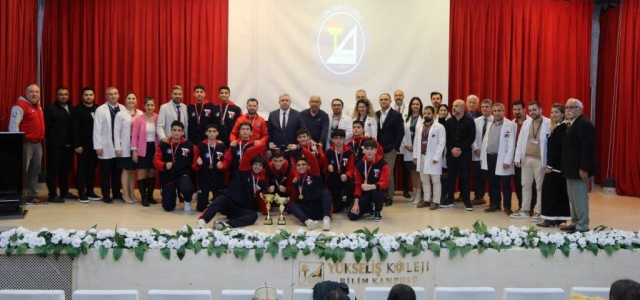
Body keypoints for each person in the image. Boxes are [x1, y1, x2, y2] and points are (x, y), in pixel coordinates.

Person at [197, 144, 267, 228]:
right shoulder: (243, 171)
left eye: (260, 165)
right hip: (229, 204)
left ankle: (226, 224)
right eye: (255, 164)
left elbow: (261, 197)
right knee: (221, 199)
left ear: (262, 168)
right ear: (251, 165)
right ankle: (203, 220)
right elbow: (249, 152)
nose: (257, 167)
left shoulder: (262, 181)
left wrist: (266, 212)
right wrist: (266, 145)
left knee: (253, 216)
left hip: (241, 209)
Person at [561, 98, 596, 233]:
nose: (568, 110)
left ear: (580, 110)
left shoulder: (584, 124)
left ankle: (582, 225)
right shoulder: (570, 124)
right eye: (566, 107)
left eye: (572, 107)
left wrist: (584, 168)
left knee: (580, 198)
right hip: (570, 168)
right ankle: (575, 221)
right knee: (572, 197)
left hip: (579, 169)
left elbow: (588, 148)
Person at [512, 101, 550, 221]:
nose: (532, 112)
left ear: (541, 110)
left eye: (534, 110)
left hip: (540, 160)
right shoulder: (526, 123)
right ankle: (525, 210)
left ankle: (539, 211)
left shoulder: (548, 123)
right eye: (530, 110)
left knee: (539, 187)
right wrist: (517, 158)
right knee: (525, 185)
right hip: (526, 159)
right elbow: (520, 141)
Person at [152, 121, 200, 211]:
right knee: (168, 207)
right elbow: (155, 161)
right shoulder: (163, 145)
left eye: (179, 130)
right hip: (168, 176)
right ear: (171, 131)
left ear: (182, 132)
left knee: (187, 188)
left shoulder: (190, 146)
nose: (176, 132)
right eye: (174, 130)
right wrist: (164, 165)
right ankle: (173, 196)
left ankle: (187, 200)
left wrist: (198, 164)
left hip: (183, 175)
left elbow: (194, 166)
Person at [9, 84, 45, 204]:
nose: (34, 94)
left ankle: (31, 195)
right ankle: (17, 195)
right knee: (21, 170)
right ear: (26, 92)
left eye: (36, 92)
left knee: (35, 171)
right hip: (25, 144)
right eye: (31, 91)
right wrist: (17, 143)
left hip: (38, 143)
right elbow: (14, 125)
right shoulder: (20, 106)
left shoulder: (38, 105)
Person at [537, 104, 570, 227]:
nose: (553, 115)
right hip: (558, 167)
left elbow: (556, 149)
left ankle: (549, 218)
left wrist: (550, 165)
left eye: (556, 112)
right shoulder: (558, 127)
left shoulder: (561, 128)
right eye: (551, 112)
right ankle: (559, 217)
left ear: (562, 114)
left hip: (555, 167)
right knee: (559, 192)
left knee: (549, 192)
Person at [481, 103, 517, 214]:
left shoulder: (510, 125)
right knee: (493, 182)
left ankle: (507, 206)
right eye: (495, 111)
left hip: (502, 158)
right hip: (490, 156)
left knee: (505, 184)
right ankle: (495, 204)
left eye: (499, 111)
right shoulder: (490, 124)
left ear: (504, 111)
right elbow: (485, 142)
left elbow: (511, 144)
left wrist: (507, 160)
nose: (497, 113)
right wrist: (483, 157)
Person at [44, 86, 78, 203]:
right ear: (56, 96)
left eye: (65, 94)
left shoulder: (72, 108)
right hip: (55, 146)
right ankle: (52, 195)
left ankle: (64, 193)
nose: (63, 96)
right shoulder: (50, 109)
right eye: (61, 94)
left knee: (65, 170)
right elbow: (46, 128)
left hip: (69, 146)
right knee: (53, 170)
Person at [93, 87, 127, 203]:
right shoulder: (100, 110)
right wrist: (98, 146)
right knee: (105, 172)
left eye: (115, 93)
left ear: (119, 95)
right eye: (110, 94)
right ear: (106, 96)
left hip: (119, 146)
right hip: (105, 145)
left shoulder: (123, 108)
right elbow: (97, 129)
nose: (113, 96)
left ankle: (117, 192)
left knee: (118, 171)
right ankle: (106, 194)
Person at [288, 147, 332, 230]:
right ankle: (308, 222)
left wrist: (300, 148)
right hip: (308, 210)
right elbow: (294, 198)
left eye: (303, 164)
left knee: (325, 192)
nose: (301, 167)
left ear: (308, 166)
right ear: (296, 167)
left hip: (320, 208)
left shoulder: (314, 173)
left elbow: (312, 158)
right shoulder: (296, 181)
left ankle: (326, 220)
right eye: (299, 165)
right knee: (292, 205)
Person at [443, 99, 475, 210]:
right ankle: (450, 199)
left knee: (465, 178)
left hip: (465, 154)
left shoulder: (470, 122)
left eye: (456, 106)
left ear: (463, 108)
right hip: (451, 155)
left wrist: (461, 149)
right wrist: (452, 149)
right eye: (453, 105)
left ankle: (467, 200)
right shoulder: (448, 122)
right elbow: (445, 138)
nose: (453, 108)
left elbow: (471, 138)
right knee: (451, 177)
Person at [349, 139, 390, 222]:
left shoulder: (383, 164)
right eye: (367, 149)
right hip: (365, 194)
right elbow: (357, 185)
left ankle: (377, 211)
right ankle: (369, 208)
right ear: (363, 150)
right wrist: (356, 203)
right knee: (352, 216)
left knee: (378, 192)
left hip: (377, 191)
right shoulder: (359, 165)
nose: (369, 151)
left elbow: (385, 183)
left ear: (376, 150)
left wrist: (371, 186)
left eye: (371, 149)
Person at [413, 106, 446, 210]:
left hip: (433, 157)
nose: (426, 115)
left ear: (434, 114)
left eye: (429, 113)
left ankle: (436, 201)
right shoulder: (420, 127)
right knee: (424, 179)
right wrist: (415, 156)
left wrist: (437, 156)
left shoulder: (439, 127)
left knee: (435, 180)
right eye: (425, 113)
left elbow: (442, 143)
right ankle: (426, 200)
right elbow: (416, 142)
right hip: (421, 155)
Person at [72, 86, 101, 202]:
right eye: (86, 95)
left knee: (92, 169)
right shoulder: (77, 110)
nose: (89, 97)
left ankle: (90, 191)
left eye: (91, 95)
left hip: (95, 145)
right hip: (82, 146)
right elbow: (74, 129)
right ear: (82, 96)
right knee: (82, 169)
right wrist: (77, 145)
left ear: (94, 96)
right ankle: (81, 192)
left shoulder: (98, 109)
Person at [376, 93, 405, 206]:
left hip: (390, 149)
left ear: (390, 101)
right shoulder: (376, 114)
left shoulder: (396, 115)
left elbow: (400, 133)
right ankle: (380, 194)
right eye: (381, 99)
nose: (383, 101)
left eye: (386, 99)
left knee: (388, 173)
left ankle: (389, 196)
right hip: (377, 149)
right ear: (379, 101)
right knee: (378, 173)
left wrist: (394, 147)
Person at [114, 91, 143, 204]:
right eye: (129, 98)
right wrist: (118, 147)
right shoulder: (120, 114)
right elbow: (116, 132)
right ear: (125, 101)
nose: (131, 100)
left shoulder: (140, 113)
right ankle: (125, 194)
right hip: (124, 145)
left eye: (133, 98)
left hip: (136, 145)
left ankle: (131, 192)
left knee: (132, 171)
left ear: (136, 101)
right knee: (126, 170)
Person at [131, 96, 160, 207]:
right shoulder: (139, 119)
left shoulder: (158, 118)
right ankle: (143, 197)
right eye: (148, 105)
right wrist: (134, 151)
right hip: (142, 148)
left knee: (152, 172)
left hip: (155, 148)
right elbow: (134, 136)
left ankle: (150, 196)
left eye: (152, 105)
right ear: (144, 106)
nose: (150, 107)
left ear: (155, 106)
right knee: (142, 172)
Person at [195, 124, 227, 212]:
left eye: (214, 131)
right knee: (200, 208)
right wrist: (198, 164)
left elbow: (226, 162)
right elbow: (194, 164)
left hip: (217, 178)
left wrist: (222, 166)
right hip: (204, 178)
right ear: (206, 133)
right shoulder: (200, 146)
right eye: (209, 131)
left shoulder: (222, 146)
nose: (212, 133)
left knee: (222, 210)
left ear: (217, 133)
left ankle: (214, 202)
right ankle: (206, 201)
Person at [511, 100, 536, 211]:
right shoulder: (511, 123)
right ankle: (522, 206)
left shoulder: (532, 122)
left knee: (531, 185)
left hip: (529, 157)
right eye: (515, 110)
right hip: (516, 158)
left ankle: (530, 207)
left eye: (519, 109)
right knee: (518, 183)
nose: (517, 112)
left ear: (524, 109)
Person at [324, 129, 355, 213]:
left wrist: (347, 176)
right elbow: (324, 168)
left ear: (344, 139)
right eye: (336, 138)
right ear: (332, 139)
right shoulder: (328, 152)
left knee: (351, 184)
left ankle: (349, 202)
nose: (338, 140)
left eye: (340, 138)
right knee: (336, 209)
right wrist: (327, 168)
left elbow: (351, 168)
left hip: (345, 178)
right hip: (334, 179)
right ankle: (340, 202)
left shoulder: (349, 152)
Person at [470, 99, 493, 206]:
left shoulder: (494, 120)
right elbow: (472, 137)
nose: (484, 108)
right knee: (478, 177)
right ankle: (478, 197)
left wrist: (485, 151)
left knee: (490, 177)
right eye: (483, 107)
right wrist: (475, 148)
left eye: (487, 107)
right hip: (477, 154)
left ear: (491, 108)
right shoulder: (476, 121)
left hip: (489, 154)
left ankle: (493, 200)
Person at [401, 97, 423, 204]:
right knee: (412, 172)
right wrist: (406, 145)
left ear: (420, 106)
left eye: (417, 104)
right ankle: (414, 193)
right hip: (408, 149)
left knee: (418, 172)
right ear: (410, 106)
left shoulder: (423, 118)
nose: (415, 106)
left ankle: (419, 195)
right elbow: (402, 133)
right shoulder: (406, 118)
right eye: (413, 104)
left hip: (419, 150)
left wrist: (417, 147)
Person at [437, 104, 450, 202]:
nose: (442, 112)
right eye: (441, 110)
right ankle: (436, 194)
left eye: (445, 110)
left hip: (446, 151)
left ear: (448, 112)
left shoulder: (450, 123)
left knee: (445, 175)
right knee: (436, 175)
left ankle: (444, 195)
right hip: (436, 152)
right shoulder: (433, 123)